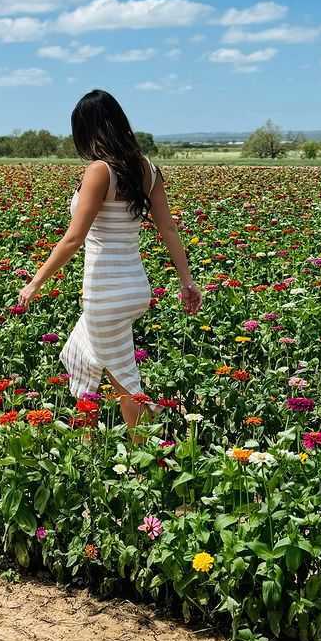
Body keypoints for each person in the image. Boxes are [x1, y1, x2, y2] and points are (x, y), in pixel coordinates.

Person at [18, 89, 202, 428]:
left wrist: (35, 281)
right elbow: (169, 231)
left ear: (89, 131)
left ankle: (143, 448)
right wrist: (186, 281)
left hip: (104, 291)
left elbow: (74, 237)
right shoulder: (148, 169)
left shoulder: (99, 171)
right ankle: (87, 441)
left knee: (122, 378)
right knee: (78, 355)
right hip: (134, 288)